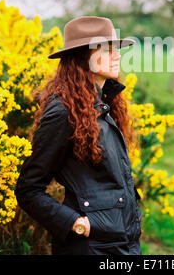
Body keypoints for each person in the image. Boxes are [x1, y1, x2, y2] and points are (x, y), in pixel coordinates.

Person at [14, 16, 142, 255]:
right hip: (90, 247)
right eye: (107, 48)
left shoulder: (103, 104)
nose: (117, 55)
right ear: (84, 56)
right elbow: (28, 189)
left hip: (123, 245)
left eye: (116, 48)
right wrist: (76, 224)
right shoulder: (63, 112)